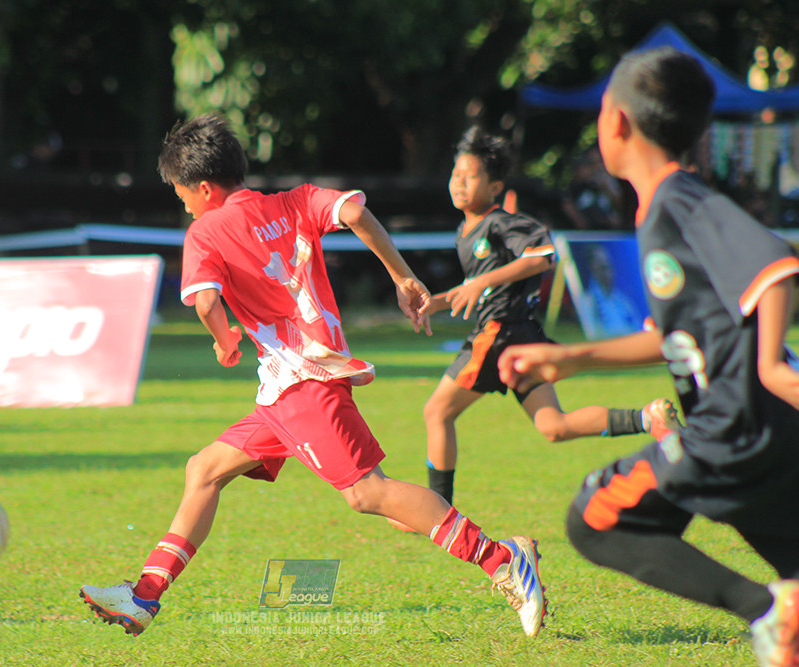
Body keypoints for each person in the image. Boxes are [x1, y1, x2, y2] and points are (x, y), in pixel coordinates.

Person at [79, 113, 548, 638]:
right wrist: (403, 277)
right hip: (287, 385)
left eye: (182, 193)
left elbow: (207, 300)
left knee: (367, 493)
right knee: (205, 469)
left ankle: (501, 559)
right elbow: (354, 210)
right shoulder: (294, 200)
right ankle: (144, 596)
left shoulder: (205, 230)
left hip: (302, 384)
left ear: (205, 189)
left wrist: (224, 338)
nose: (182, 203)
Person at [498, 47, 799, 667]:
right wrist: (573, 359)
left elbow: (776, 267)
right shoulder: (661, 208)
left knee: (595, 518)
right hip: (764, 435)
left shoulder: (679, 200)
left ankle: (769, 612)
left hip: (732, 430)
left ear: (615, 123)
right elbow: (672, 336)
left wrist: (771, 366)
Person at [394, 126, 680, 516]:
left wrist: (482, 281)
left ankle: (436, 514)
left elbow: (543, 255)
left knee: (437, 412)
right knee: (553, 426)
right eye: (455, 175)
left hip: (499, 335)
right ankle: (649, 417)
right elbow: (475, 285)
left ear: (495, 187)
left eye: (470, 175)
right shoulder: (467, 230)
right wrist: (435, 302)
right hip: (518, 336)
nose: (459, 182)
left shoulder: (500, 222)